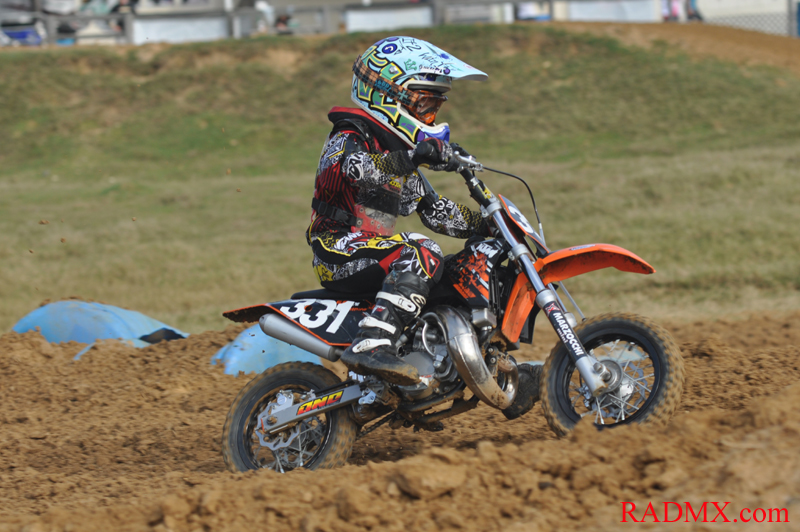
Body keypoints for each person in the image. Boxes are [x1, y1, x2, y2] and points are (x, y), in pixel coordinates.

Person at [307, 37, 489, 386]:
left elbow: (436, 212)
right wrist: (414, 157)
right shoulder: (348, 136)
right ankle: (370, 345)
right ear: (388, 96)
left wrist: (488, 223)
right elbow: (359, 170)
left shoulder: (395, 153)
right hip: (335, 249)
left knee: (458, 268)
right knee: (421, 250)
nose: (429, 116)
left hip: (373, 253)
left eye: (434, 108)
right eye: (423, 105)